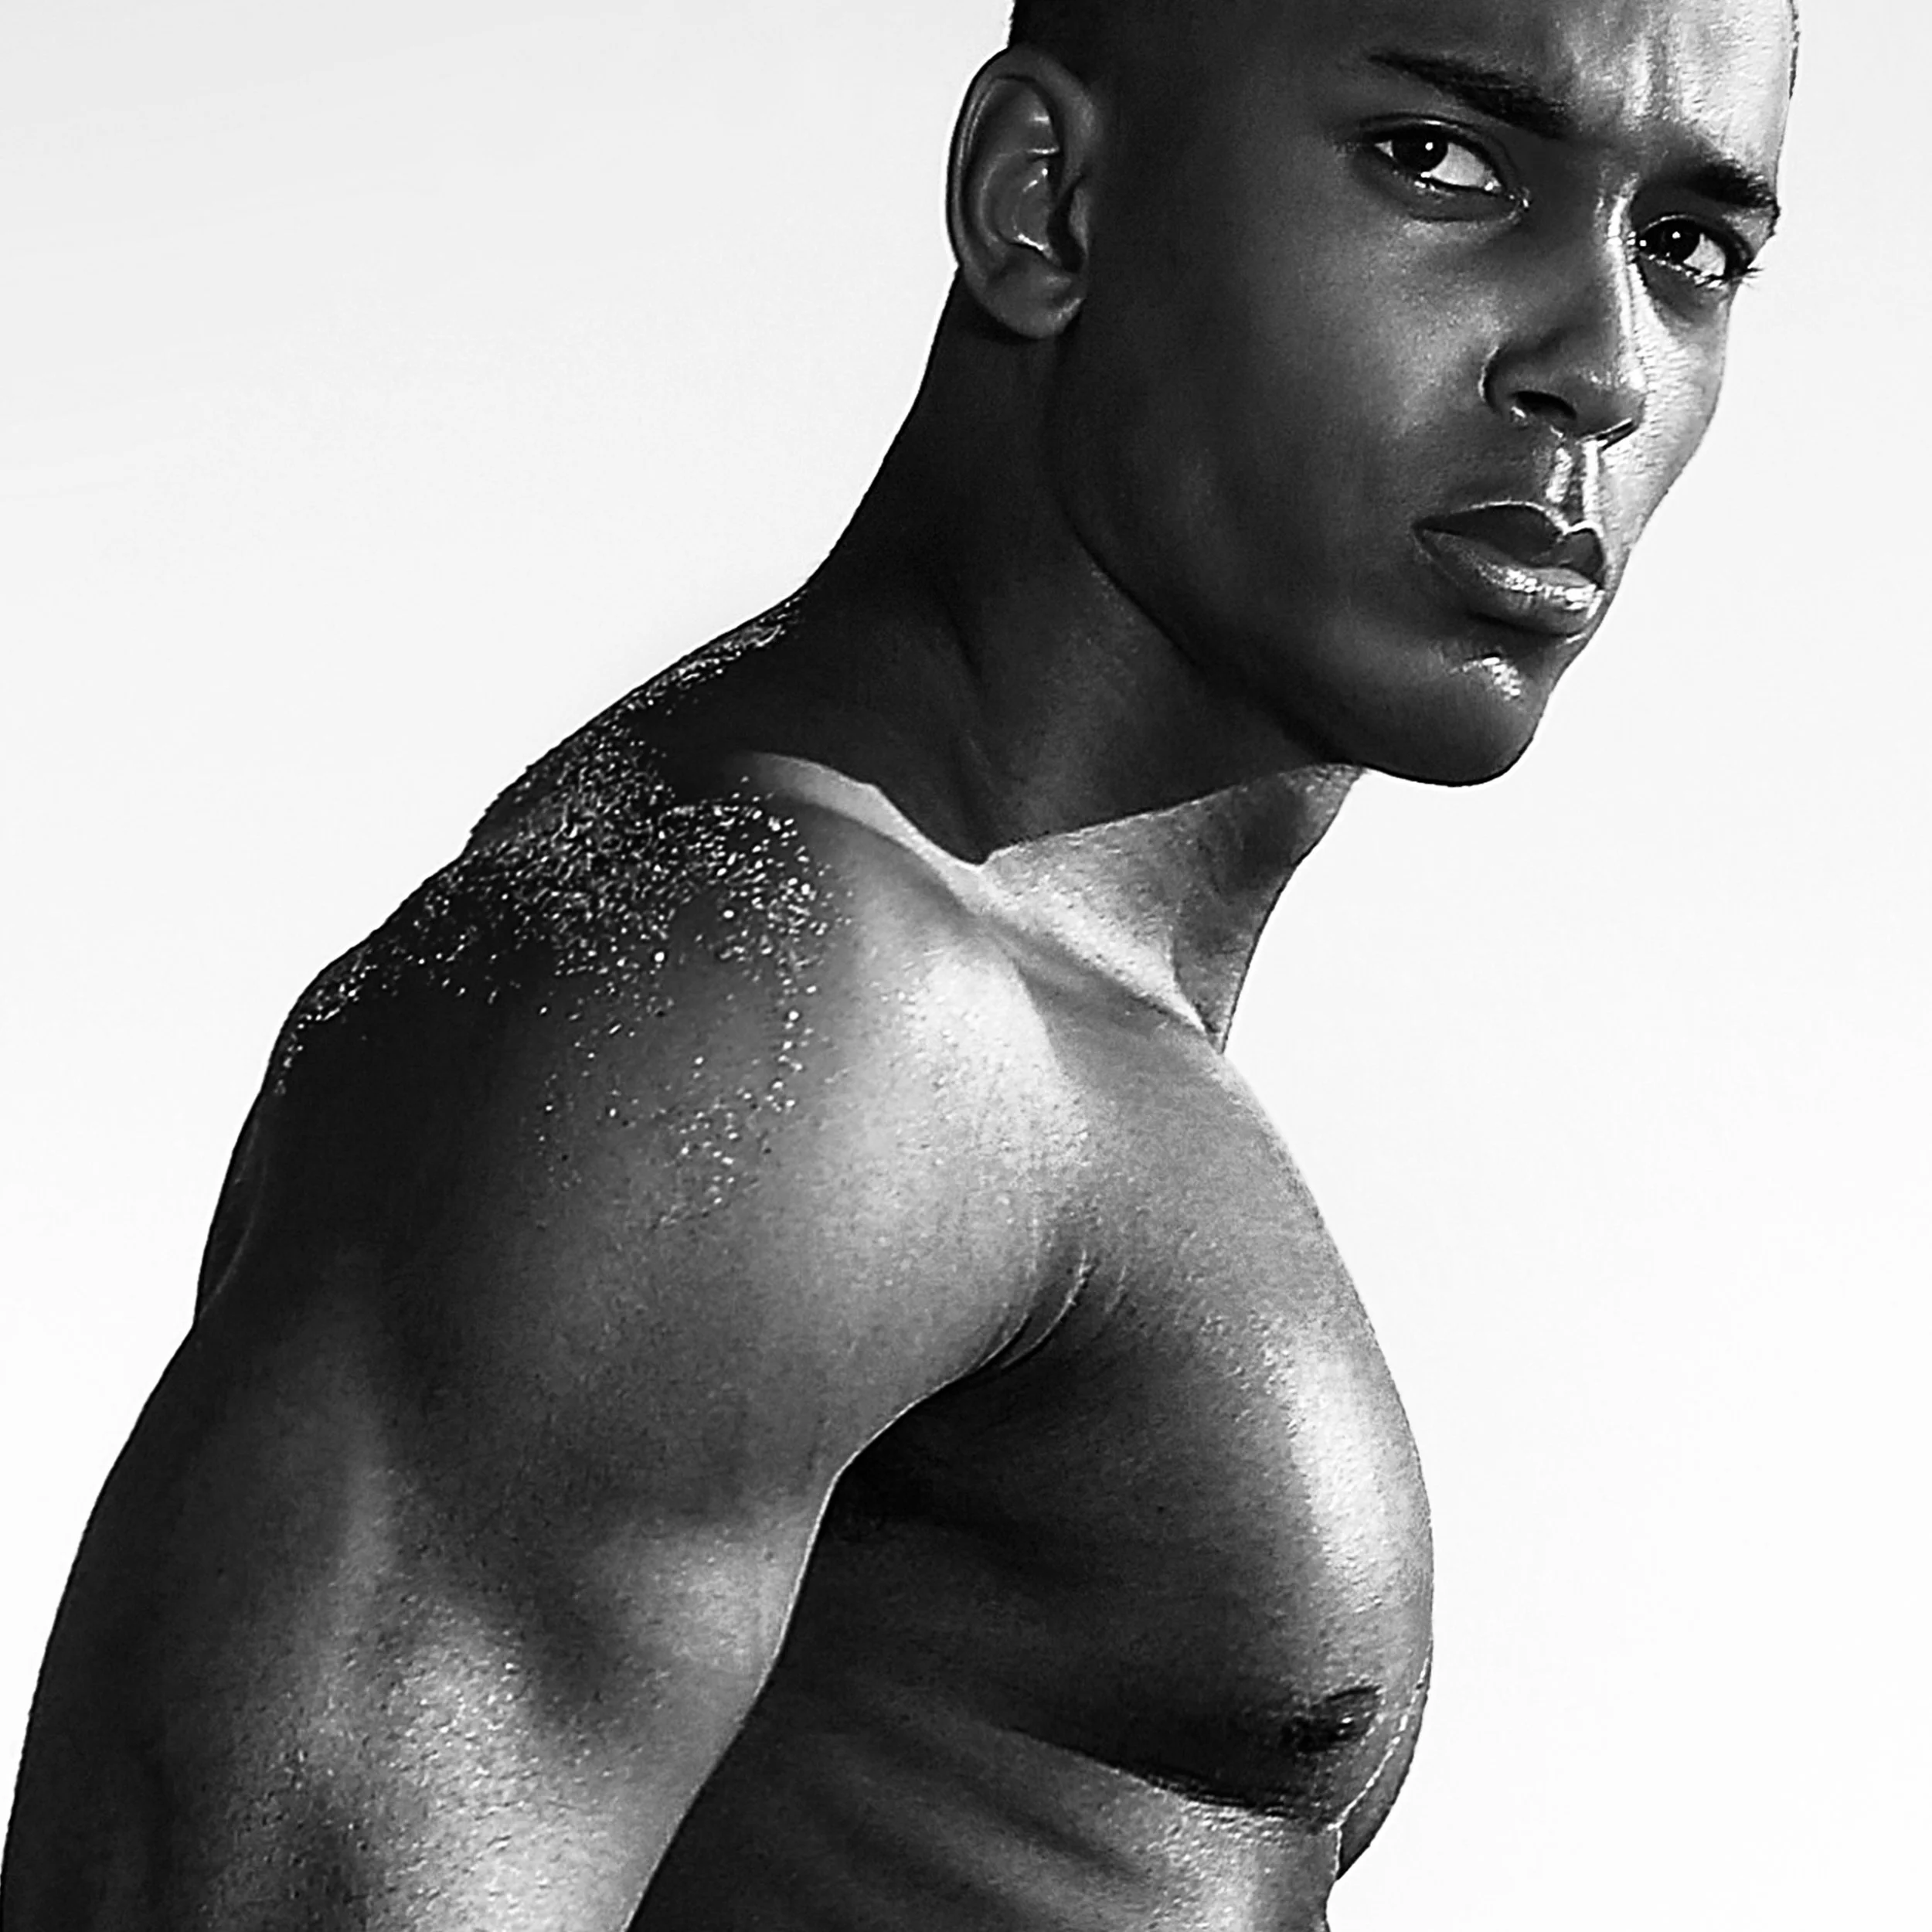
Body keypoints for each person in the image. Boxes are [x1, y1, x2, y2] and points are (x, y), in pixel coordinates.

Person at [2, 0, 1794, 1923]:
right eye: (1437, 162)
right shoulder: (771, 986)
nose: (1599, 367)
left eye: (1687, 245)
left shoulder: (954, 993)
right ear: (1043, 202)